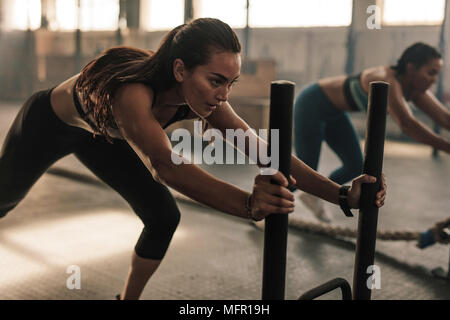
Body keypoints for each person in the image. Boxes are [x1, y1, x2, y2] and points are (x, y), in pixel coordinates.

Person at [0, 18, 386, 300]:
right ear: (180, 69)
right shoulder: (133, 93)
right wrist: (249, 204)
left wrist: (340, 195)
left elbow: (266, 152)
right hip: (48, 124)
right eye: (215, 80)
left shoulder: (202, 98)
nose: (223, 95)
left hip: (105, 136)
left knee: (163, 216)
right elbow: (165, 165)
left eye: (230, 84)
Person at [294, 42, 449, 223]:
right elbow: (407, 124)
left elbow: (445, 119)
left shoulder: (414, 89)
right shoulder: (386, 79)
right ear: (411, 68)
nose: (434, 80)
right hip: (311, 104)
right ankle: (269, 212)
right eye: (431, 73)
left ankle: (314, 195)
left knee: (355, 165)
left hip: (334, 114)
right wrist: (447, 146)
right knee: (302, 172)